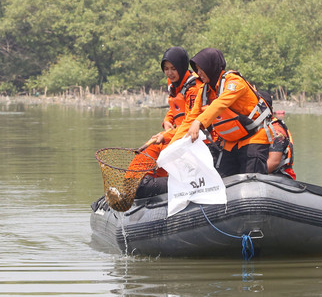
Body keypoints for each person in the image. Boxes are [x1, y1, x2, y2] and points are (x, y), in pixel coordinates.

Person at [172, 48, 274, 177]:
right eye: (196, 69)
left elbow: (220, 104)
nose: (198, 73)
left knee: (250, 179)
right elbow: (189, 120)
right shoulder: (204, 90)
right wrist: (171, 147)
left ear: (210, 66)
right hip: (230, 142)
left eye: (201, 69)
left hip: (254, 137)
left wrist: (199, 122)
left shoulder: (235, 82)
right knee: (221, 179)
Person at [127, 47, 203, 198]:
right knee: (141, 165)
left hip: (189, 137)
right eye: (166, 69)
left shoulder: (194, 88)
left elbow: (191, 120)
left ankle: (180, 184)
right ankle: (137, 183)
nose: (169, 73)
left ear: (182, 67)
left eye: (173, 69)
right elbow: (174, 107)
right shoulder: (174, 83)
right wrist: (167, 120)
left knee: (158, 150)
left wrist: (167, 135)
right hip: (174, 135)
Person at [258, 90, 296, 180]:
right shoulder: (258, 127)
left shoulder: (276, 130)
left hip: (281, 176)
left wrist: (251, 175)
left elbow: (274, 162)